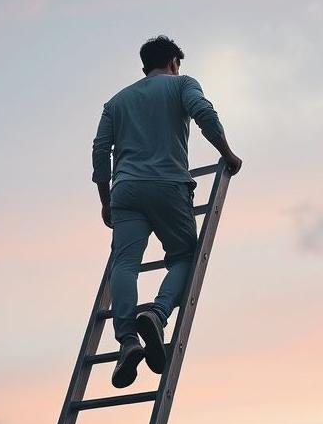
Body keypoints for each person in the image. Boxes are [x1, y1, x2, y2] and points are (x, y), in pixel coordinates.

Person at [91, 35, 242, 388]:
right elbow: (204, 112)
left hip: (125, 190)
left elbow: (100, 152)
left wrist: (105, 199)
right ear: (174, 61)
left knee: (124, 264)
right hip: (168, 184)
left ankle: (127, 339)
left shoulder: (117, 102)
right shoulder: (181, 84)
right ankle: (157, 314)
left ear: (145, 66)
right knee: (184, 256)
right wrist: (228, 153)